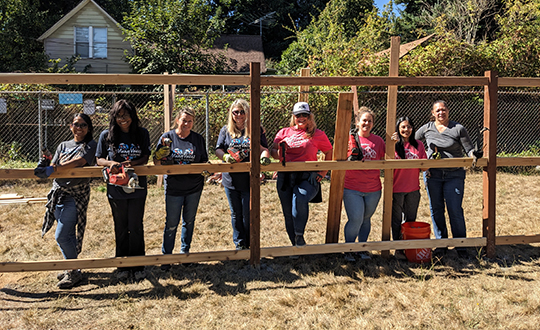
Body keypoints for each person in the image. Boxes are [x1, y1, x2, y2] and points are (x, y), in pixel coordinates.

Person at [415, 100, 482, 258]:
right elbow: (411, 142)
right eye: (437, 110)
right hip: (433, 176)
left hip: (454, 175)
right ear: (432, 113)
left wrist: (474, 155)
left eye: (443, 110)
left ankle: (461, 246)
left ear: (448, 111)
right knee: (436, 209)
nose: (441, 113)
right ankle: (441, 244)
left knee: (455, 209)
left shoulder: (458, 128)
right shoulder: (426, 128)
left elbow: (469, 149)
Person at [38, 113, 97, 289]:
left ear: (89, 128)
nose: (79, 128)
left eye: (84, 125)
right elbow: (52, 165)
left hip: (75, 195)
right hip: (59, 194)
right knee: (68, 235)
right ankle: (73, 268)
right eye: (76, 124)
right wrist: (46, 164)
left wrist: (57, 167)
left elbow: (80, 162)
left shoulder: (91, 145)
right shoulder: (63, 145)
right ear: (70, 126)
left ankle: (73, 271)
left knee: (61, 235)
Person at [96, 99, 151, 280]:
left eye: (126, 115)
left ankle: (138, 265)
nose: (123, 120)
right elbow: (99, 159)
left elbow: (145, 156)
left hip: (137, 187)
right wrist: (111, 163)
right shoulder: (107, 135)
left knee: (136, 226)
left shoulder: (142, 133)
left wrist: (132, 163)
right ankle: (122, 265)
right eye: (119, 116)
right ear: (114, 117)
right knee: (120, 226)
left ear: (133, 116)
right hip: (116, 188)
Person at [271, 102, 333, 248]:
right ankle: (296, 246)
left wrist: (322, 172)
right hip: (285, 177)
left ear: (309, 116)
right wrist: (279, 152)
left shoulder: (318, 134)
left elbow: (329, 152)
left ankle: (299, 235)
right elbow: (273, 151)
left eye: (304, 115)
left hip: (307, 176)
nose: (301, 118)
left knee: (299, 198)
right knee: (288, 213)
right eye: (298, 115)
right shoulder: (283, 133)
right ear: (293, 117)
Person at [154, 108, 208, 271]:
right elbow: (157, 164)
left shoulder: (197, 139)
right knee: (171, 223)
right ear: (177, 120)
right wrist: (159, 156)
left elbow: (204, 162)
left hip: (194, 187)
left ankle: (185, 254)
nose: (186, 124)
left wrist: (209, 171)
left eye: (190, 121)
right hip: (174, 188)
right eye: (184, 120)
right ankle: (167, 257)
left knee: (189, 221)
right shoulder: (167, 138)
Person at [216, 99, 271, 250]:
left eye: (242, 111)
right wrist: (225, 157)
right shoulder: (225, 130)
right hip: (231, 179)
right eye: (236, 112)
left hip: (249, 179)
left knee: (249, 213)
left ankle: (250, 242)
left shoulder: (256, 129)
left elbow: (264, 149)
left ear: (247, 113)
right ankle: (239, 242)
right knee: (236, 214)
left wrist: (264, 158)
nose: (239, 115)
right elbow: (218, 149)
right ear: (231, 114)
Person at [343, 107, 385, 261]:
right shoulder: (349, 139)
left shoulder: (378, 141)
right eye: (364, 120)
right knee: (356, 218)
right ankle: (349, 249)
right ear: (358, 122)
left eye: (370, 121)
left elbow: (387, 157)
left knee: (366, 218)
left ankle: (362, 248)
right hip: (352, 187)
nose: (366, 123)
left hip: (373, 188)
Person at [390, 117, 428, 259]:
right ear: (398, 128)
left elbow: (424, 165)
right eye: (403, 127)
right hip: (396, 188)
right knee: (396, 219)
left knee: (410, 219)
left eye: (409, 127)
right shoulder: (393, 145)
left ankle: (408, 246)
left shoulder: (418, 144)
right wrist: (392, 144)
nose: (406, 130)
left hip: (413, 188)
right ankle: (398, 247)